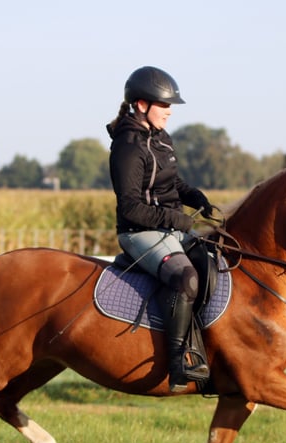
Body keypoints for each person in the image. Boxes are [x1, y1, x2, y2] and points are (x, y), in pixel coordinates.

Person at [106, 65, 213, 393]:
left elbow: (170, 182)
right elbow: (131, 208)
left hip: (169, 228)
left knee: (214, 259)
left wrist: (194, 196)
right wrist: (176, 220)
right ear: (141, 105)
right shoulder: (127, 146)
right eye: (164, 105)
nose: (169, 112)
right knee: (186, 278)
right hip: (140, 233)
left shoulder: (160, 138)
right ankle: (179, 360)